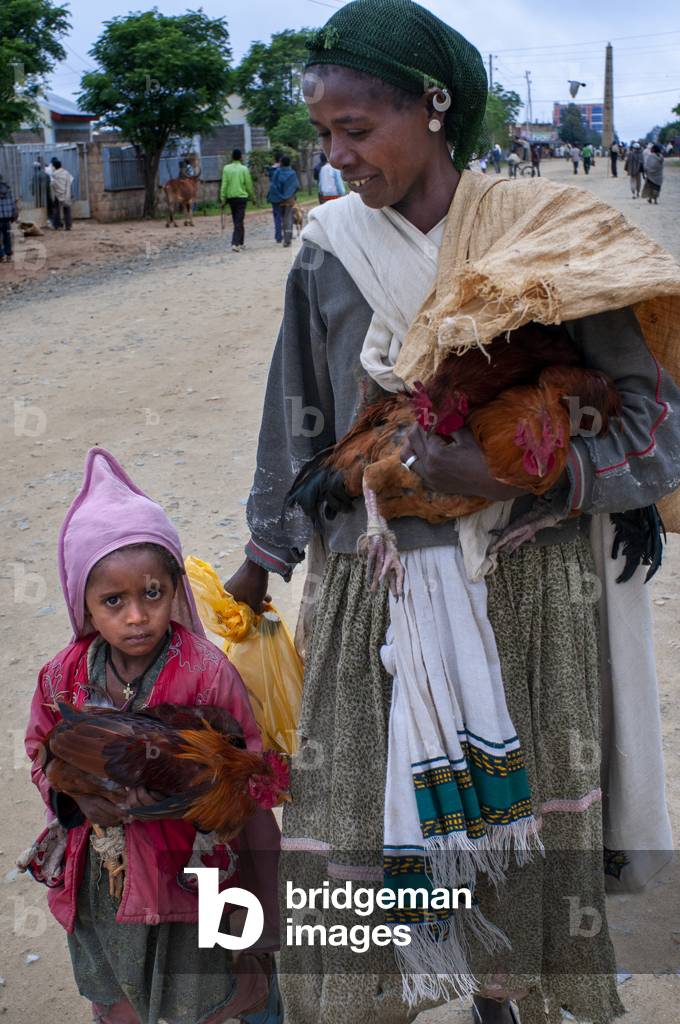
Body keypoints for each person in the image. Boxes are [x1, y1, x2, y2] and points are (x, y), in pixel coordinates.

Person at [227, 3, 680, 1024]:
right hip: (373, 586)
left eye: (355, 130)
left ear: (433, 109)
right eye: (323, 134)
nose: (334, 156)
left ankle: (501, 993)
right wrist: (260, 557)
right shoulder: (327, 246)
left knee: (510, 830)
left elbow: (652, 422)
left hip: (523, 587)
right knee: (365, 825)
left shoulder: (548, 238)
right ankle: (398, 991)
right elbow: (293, 413)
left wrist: (507, 473)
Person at [23, 447, 282, 1024]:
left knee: (204, 982)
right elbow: (41, 748)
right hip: (104, 872)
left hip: (190, 872)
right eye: (113, 601)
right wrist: (75, 797)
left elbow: (249, 762)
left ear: (174, 590)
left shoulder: (206, 672)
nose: (135, 616)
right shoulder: (64, 674)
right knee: (120, 988)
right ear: (84, 604)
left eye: (151, 594)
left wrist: (208, 802)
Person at [220, 148, 255, 253]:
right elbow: (248, 185)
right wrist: (252, 197)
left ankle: (241, 242)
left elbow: (224, 185)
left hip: (231, 199)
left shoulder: (226, 168)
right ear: (241, 157)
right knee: (239, 221)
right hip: (241, 198)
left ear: (232, 157)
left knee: (238, 220)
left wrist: (222, 198)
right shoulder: (244, 169)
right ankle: (235, 243)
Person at [266, 156, 300, 247]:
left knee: (279, 218)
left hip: (279, 200)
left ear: (281, 163)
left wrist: (279, 195)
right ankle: (287, 240)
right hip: (289, 200)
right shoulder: (292, 173)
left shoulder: (277, 172)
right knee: (288, 219)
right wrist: (290, 194)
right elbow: (296, 186)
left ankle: (279, 236)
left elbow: (273, 186)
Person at [50, 158, 74, 230]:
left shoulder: (54, 174)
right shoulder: (66, 173)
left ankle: (56, 225)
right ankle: (68, 226)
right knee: (67, 209)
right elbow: (70, 180)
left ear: (54, 166)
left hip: (58, 194)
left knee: (56, 210)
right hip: (66, 193)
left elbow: (53, 184)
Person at [0, 173, 18, 262]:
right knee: (7, 236)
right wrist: (14, 214)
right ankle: (8, 255)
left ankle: (0, 256)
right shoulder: (7, 189)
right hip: (7, 217)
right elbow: (13, 203)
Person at [267, 152, 283, 241]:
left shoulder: (271, 170)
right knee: (283, 215)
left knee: (276, 215)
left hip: (273, 195)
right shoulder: (281, 170)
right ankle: (283, 234)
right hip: (282, 195)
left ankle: (278, 235)